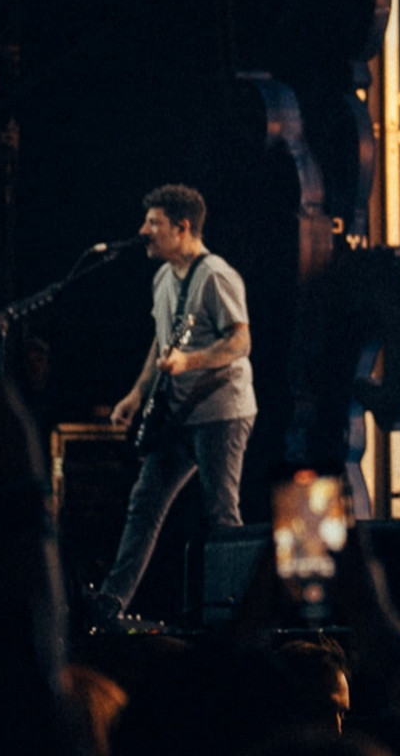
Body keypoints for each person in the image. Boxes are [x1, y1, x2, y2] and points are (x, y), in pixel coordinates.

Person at [90, 183, 257, 625]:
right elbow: (161, 341)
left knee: (222, 513)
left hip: (221, 412)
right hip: (179, 416)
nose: (143, 231)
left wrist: (191, 361)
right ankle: (111, 602)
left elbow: (240, 341)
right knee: (144, 503)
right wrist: (137, 393)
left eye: (154, 223)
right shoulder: (162, 277)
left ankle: (239, 614)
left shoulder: (216, 275)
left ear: (182, 228)